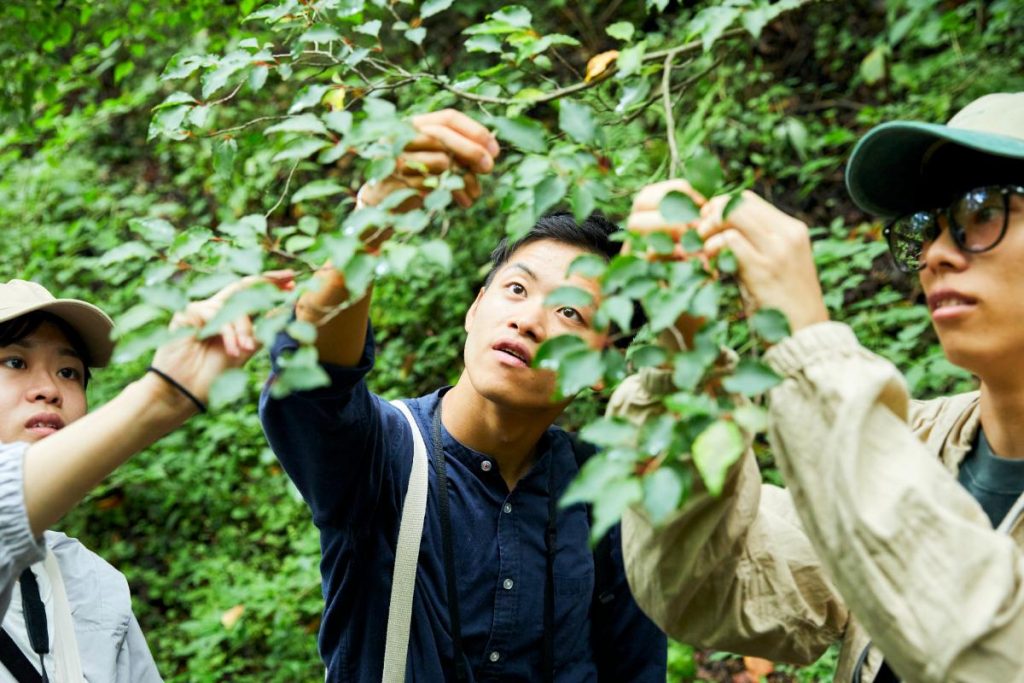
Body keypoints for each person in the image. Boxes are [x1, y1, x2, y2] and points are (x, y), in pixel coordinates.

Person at [614, 91, 1024, 682]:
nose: (935, 253)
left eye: (980, 211)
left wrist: (811, 346)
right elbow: (708, 591)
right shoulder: (913, 444)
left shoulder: (874, 449)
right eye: (926, 227)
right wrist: (688, 356)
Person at [259, 109, 667, 682]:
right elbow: (313, 379)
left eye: (569, 311)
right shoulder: (382, 457)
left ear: (602, 366)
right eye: (517, 289)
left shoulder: (613, 496)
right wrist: (371, 222)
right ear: (476, 309)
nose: (529, 320)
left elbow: (635, 669)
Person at [0, 274, 287, 680]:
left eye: (69, 372)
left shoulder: (97, 585)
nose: (50, 388)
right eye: (14, 362)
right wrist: (164, 394)